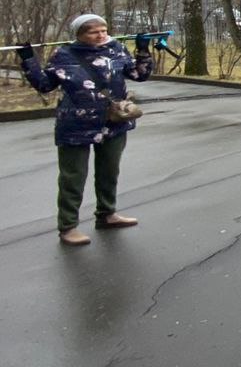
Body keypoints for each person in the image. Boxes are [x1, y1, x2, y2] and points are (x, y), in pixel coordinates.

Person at [18, 13, 153, 246]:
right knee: (73, 177)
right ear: (79, 34)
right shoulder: (64, 55)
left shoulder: (116, 49)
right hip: (75, 125)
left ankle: (107, 214)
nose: (101, 35)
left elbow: (140, 75)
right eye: (93, 32)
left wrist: (143, 49)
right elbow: (44, 84)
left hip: (113, 122)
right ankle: (68, 227)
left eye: (103, 30)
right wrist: (28, 59)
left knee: (109, 172)